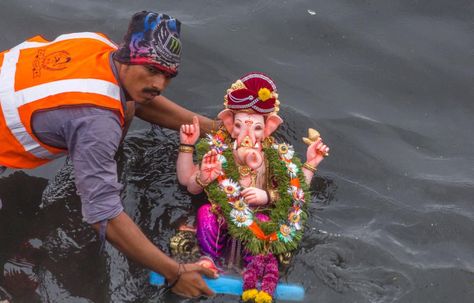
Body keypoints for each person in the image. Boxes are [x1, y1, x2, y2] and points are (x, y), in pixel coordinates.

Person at [0, 11, 218, 298]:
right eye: (152, 70)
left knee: (125, 105)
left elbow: (139, 101)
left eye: (167, 75)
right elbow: (103, 214)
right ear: (127, 56)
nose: (159, 84)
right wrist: (174, 272)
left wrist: (216, 129)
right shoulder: (96, 123)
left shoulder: (97, 44)